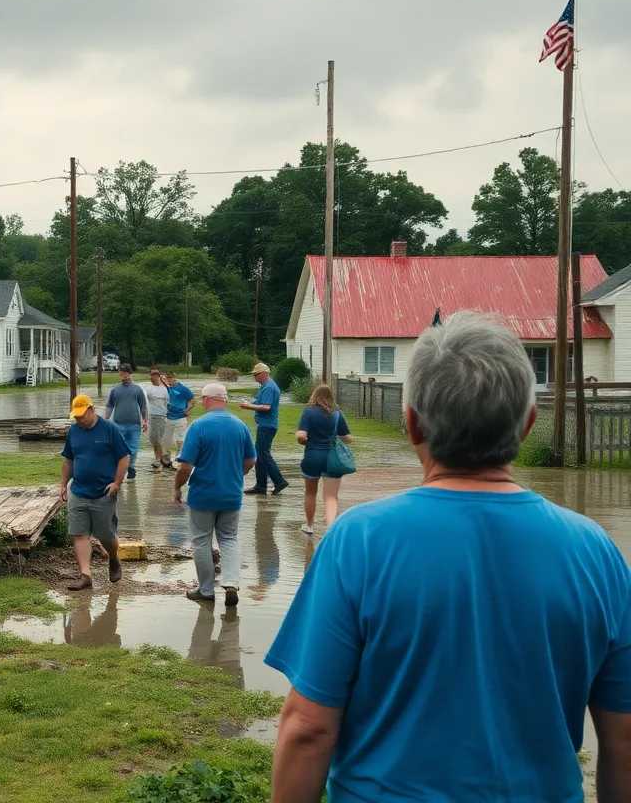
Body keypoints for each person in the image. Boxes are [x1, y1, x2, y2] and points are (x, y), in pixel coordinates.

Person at [265, 312, 631, 803]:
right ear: (528, 424)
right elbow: (623, 738)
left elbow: (309, 727)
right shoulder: (597, 551)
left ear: (411, 421)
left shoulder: (361, 541)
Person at [174, 382, 256, 607]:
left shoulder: (199, 426)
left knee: (201, 541)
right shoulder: (240, 426)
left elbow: (186, 465)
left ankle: (206, 590)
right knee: (229, 539)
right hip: (231, 494)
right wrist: (237, 474)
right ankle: (230, 584)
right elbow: (251, 460)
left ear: (207, 400)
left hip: (203, 495)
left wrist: (177, 487)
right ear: (225, 400)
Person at [59, 394, 130, 591]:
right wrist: (64, 484)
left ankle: (114, 559)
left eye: (82, 416)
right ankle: (85, 575)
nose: (80, 420)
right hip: (79, 491)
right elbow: (69, 460)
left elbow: (124, 457)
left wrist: (117, 482)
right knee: (79, 534)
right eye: (76, 417)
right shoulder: (74, 431)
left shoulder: (109, 430)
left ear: (92, 409)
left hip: (104, 493)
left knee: (105, 536)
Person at [295, 384, 354, 535]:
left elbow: (301, 436)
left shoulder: (308, 412)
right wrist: (345, 438)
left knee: (310, 493)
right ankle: (330, 528)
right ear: (331, 397)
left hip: (312, 457)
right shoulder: (337, 414)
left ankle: (309, 526)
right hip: (332, 459)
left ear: (314, 395)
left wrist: (309, 442)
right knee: (330, 496)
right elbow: (347, 438)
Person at [238, 362, 288, 495]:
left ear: (265, 373)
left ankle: (279, 481)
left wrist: (248, 407)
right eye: (254, 375)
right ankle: (260, 486)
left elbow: (266, 407)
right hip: (266, 425)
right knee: (260, 455)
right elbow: (259, 403)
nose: (255, 377)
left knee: (263, 454)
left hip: (267, 425)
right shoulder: (266, 386)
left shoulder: (268, 387)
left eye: (257, 374)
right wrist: (249, 403)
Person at [104, 364, 147, 479]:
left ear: (130, 373)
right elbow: (109, 405)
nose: (124, 375)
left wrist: (145, 421)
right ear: (119, 374)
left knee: (133, 448)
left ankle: (130, 467)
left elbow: (143, 406)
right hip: (118, 424)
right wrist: (106, 420)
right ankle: (118, 468)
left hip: (135, 425)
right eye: (121, 372)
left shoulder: (137, 389)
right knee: (118, 448)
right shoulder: (115, 389)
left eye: (126, 372)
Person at [162, 372, 195, 468]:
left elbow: (193, 400)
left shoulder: (182, 389)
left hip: (180, 418)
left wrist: (187, 410)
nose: (168, 379)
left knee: (180, 439)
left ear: (174, 377)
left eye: (170, 377)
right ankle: (166, 460)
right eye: (166, 378)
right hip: (169, 417)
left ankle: (179, 459)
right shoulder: (168, 388)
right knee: (166, 439)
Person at [143, 368, 171, 473]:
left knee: (157, 439)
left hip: (159, 416)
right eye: (152, 375)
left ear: (159, 377)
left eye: (156, 375)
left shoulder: (164, 389)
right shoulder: (149, 389)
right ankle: (157, 459)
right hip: (151, 416)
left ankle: (159, 461)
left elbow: (168, 401)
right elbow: (146, 403)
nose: (153, 377)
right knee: (153, 439)